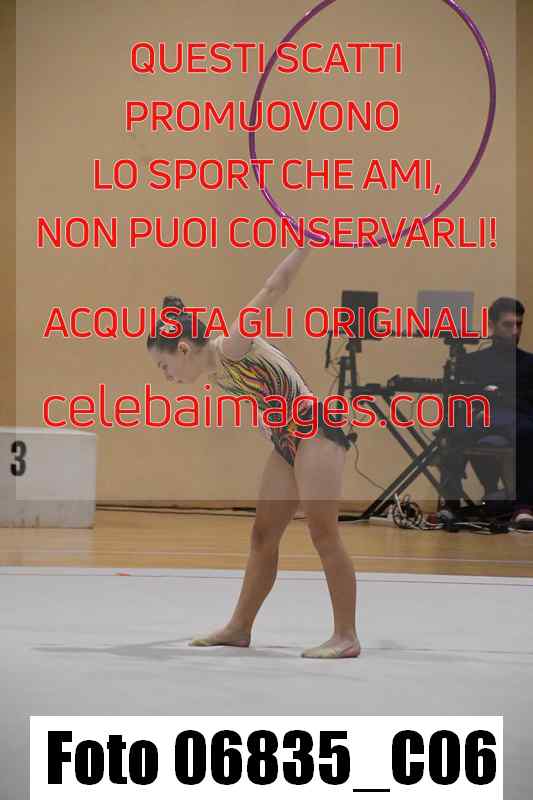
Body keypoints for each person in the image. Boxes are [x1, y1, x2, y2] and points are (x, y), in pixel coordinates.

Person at [146, 245, 360, 658]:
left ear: (184, 349)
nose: (167, 377)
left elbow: (274, 287)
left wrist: (306, 243)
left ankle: (346, 635)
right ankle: (239, 627)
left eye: (164, 366)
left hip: (315, 431)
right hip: (288, 441)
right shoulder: (216, 372)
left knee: (323, 533)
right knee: (263, 535)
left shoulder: (232, 346)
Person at [440, 297, 533, 530]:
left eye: (519, 324)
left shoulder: (529, 363)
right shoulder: (471, 362)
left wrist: (499, 400)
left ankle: (524, 508)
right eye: (508, 324)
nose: (515, 331)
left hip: (516, 418)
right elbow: (462, 398)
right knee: (453, 429)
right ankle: (450, 504)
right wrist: (480, 408)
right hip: (481, 416)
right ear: (492, 325)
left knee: (528, 431)